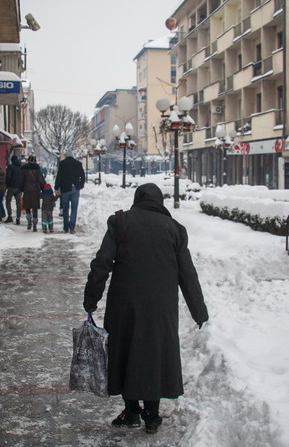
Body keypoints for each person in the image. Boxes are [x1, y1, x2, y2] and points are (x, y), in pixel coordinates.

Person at [83, 183, 209, 434]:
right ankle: (151, 414)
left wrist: (91, 298)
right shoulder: (175, 229)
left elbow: (102, 263)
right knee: (154, 353)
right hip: (161, 307)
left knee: (126, 351)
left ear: (137, 199)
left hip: (124, 304)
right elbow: (188, 274)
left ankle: (131, 411)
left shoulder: (120, 222)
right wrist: (199, 311)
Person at [54, 151, 85, 233]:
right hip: (75, 188)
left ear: (66, 156)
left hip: (65, 189)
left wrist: (56, 187)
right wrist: (80, 185)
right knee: (74, 208)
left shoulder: (62, 164)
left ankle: (66, 227)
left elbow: (59, 176)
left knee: (65, 208)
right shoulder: (78, 164)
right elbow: (82, 175)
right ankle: (72, 227)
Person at [21, 155, 46, 231]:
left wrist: (21, 189)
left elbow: (21, 180)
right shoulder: (38, 169)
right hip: (36, 190)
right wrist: (44, 188)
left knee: (27, 207)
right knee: (35, 208)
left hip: (27, 189)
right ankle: (35, 224)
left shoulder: (24, 169)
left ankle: (29, 222)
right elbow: (41, 180)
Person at [4, 155, 24, 224]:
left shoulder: (10, 167)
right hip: (19, 188)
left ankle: (10, 216)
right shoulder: (21, 167)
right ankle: (18, 218)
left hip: (11, 187)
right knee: (18, 203)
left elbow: (8, 176)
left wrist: (7, 185)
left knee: (8, 201)